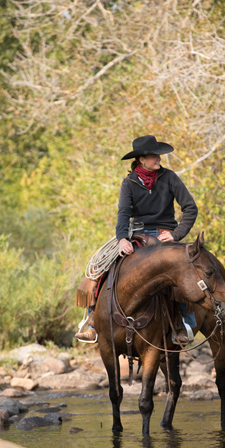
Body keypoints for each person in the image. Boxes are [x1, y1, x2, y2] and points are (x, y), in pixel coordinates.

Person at [76, 135, 198, 343]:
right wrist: (123, 238)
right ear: (141, 159)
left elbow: (190, 208)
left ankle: (184, 324)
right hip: (136, 233)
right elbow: (123, 213)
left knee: (181, 269)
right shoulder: (129, 182)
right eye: (153, 156)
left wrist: (176, 234)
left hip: (164, 234)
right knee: (98, 266)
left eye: (158, 155)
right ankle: (92, 321)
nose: (158, 159)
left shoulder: (170, 178)